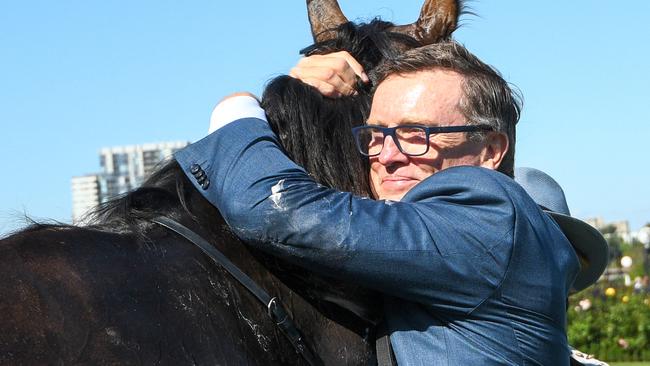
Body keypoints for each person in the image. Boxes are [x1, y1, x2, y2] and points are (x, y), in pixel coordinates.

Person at [175, 41, 607, 365]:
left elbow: (277, 209)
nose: (386, 154)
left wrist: (238, 108)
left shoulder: (490, 217)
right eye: (375, 135)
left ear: (491, 149)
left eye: (417, 134)